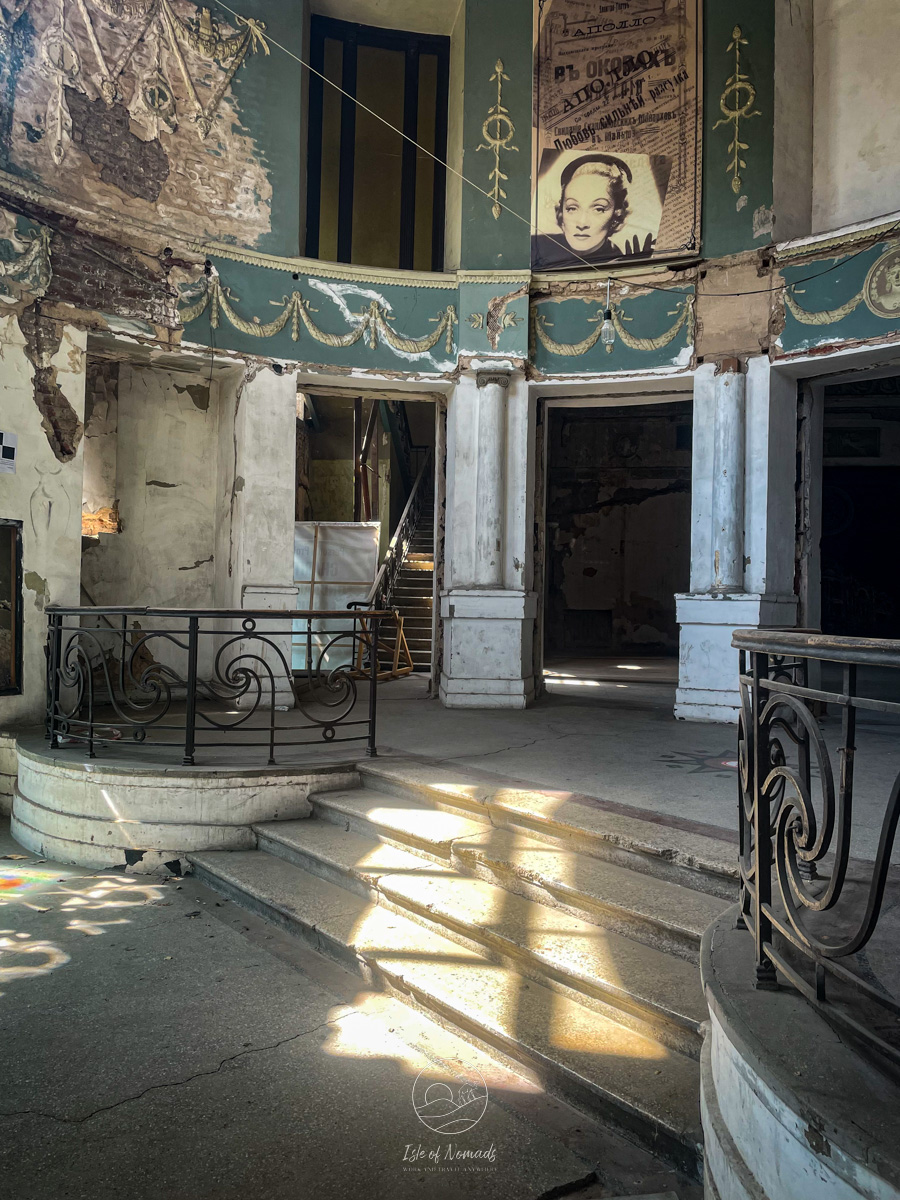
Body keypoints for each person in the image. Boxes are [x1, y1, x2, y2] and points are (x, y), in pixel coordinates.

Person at [533, 153, 653, 269]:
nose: (582, 223)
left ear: (616, 217)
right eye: (572, 208)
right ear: (561, 213)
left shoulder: (619, 262)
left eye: (598, 209)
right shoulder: (535, 245)